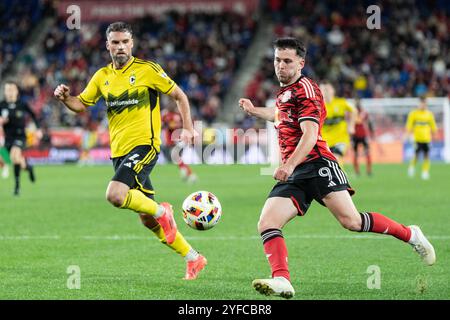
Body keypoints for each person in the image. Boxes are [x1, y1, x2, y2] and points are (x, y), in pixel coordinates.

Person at [239, 37, 436, 299]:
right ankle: (282, 280)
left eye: (287, 61)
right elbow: (280, 114)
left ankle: (410, 234)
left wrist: (288, 164)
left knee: (352, 222)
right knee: (267, 222)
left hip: (316, 163)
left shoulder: (306, 90)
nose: (280, 66)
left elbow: (310, 135)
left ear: (301, 62)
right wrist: (255, 111)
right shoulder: (285, 92)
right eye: (277, 60)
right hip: (296, 171)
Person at [54, 22, 206, 280]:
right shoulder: (102, 76)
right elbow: (81, 104)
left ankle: (163, 211)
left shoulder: (148, 70)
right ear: (107, 45)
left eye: (125, 42)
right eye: (115, 42)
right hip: (119, 153)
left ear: (132, 44)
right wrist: (65, 97)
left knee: (115, 195)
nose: (121, 47)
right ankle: (193, 258)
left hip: (144, 146)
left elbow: (180, 96)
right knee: (146, 219)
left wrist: (188, 127)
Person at [0, 81, 40, 195]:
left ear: (16, 91)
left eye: (12, 89)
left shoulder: (22, 104)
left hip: (20, 136)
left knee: (14, 155)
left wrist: (38, 129)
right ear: (5, 91)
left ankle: (17, 186)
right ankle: (28, 167)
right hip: (8, 138)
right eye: (8, 90)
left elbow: (33, 115)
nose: (10, 92)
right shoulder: (1, 105)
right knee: (15, 160)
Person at [320, 81, 356, 167]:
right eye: (323, 89)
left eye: (328, 89)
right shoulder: (317, 105)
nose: (326, 91)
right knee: (326, 165)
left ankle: (341, 179)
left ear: (333, 91)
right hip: (324, 140)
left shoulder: (341, 102)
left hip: (340, 138)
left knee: (336, 158)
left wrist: (351, 126)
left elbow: (354, 110)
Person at [161, 103, 198, 183]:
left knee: (175, 156)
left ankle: (189, 174)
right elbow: (162, 123)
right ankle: (185, 172)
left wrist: (167, 124)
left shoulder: (176, 116)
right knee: (176, 158)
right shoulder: (166, 115)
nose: (170, 107)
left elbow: (174, 126)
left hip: (178, 139)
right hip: (171, 140)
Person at [405, 97, 437, 180]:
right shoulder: (413, 114)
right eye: (422, 103)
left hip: (427, 139)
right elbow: (409, 125)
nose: (423, 105)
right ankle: (411, 168)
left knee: (427, 156)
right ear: (419, 104)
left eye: (425, 104)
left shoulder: (429, 114)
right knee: (416, 155)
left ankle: (425, 172)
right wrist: (408, 135)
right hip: (417, 138)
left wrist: (434, 134)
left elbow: (433, 126)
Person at [352, 98, 374, 176]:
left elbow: (367, 122)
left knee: (365, 153)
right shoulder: (355, 112)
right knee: (356, 154)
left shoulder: (359, 113)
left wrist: (371, 133)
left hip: (362, 135)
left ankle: (368, 171)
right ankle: (357, 172)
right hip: (356, 135)